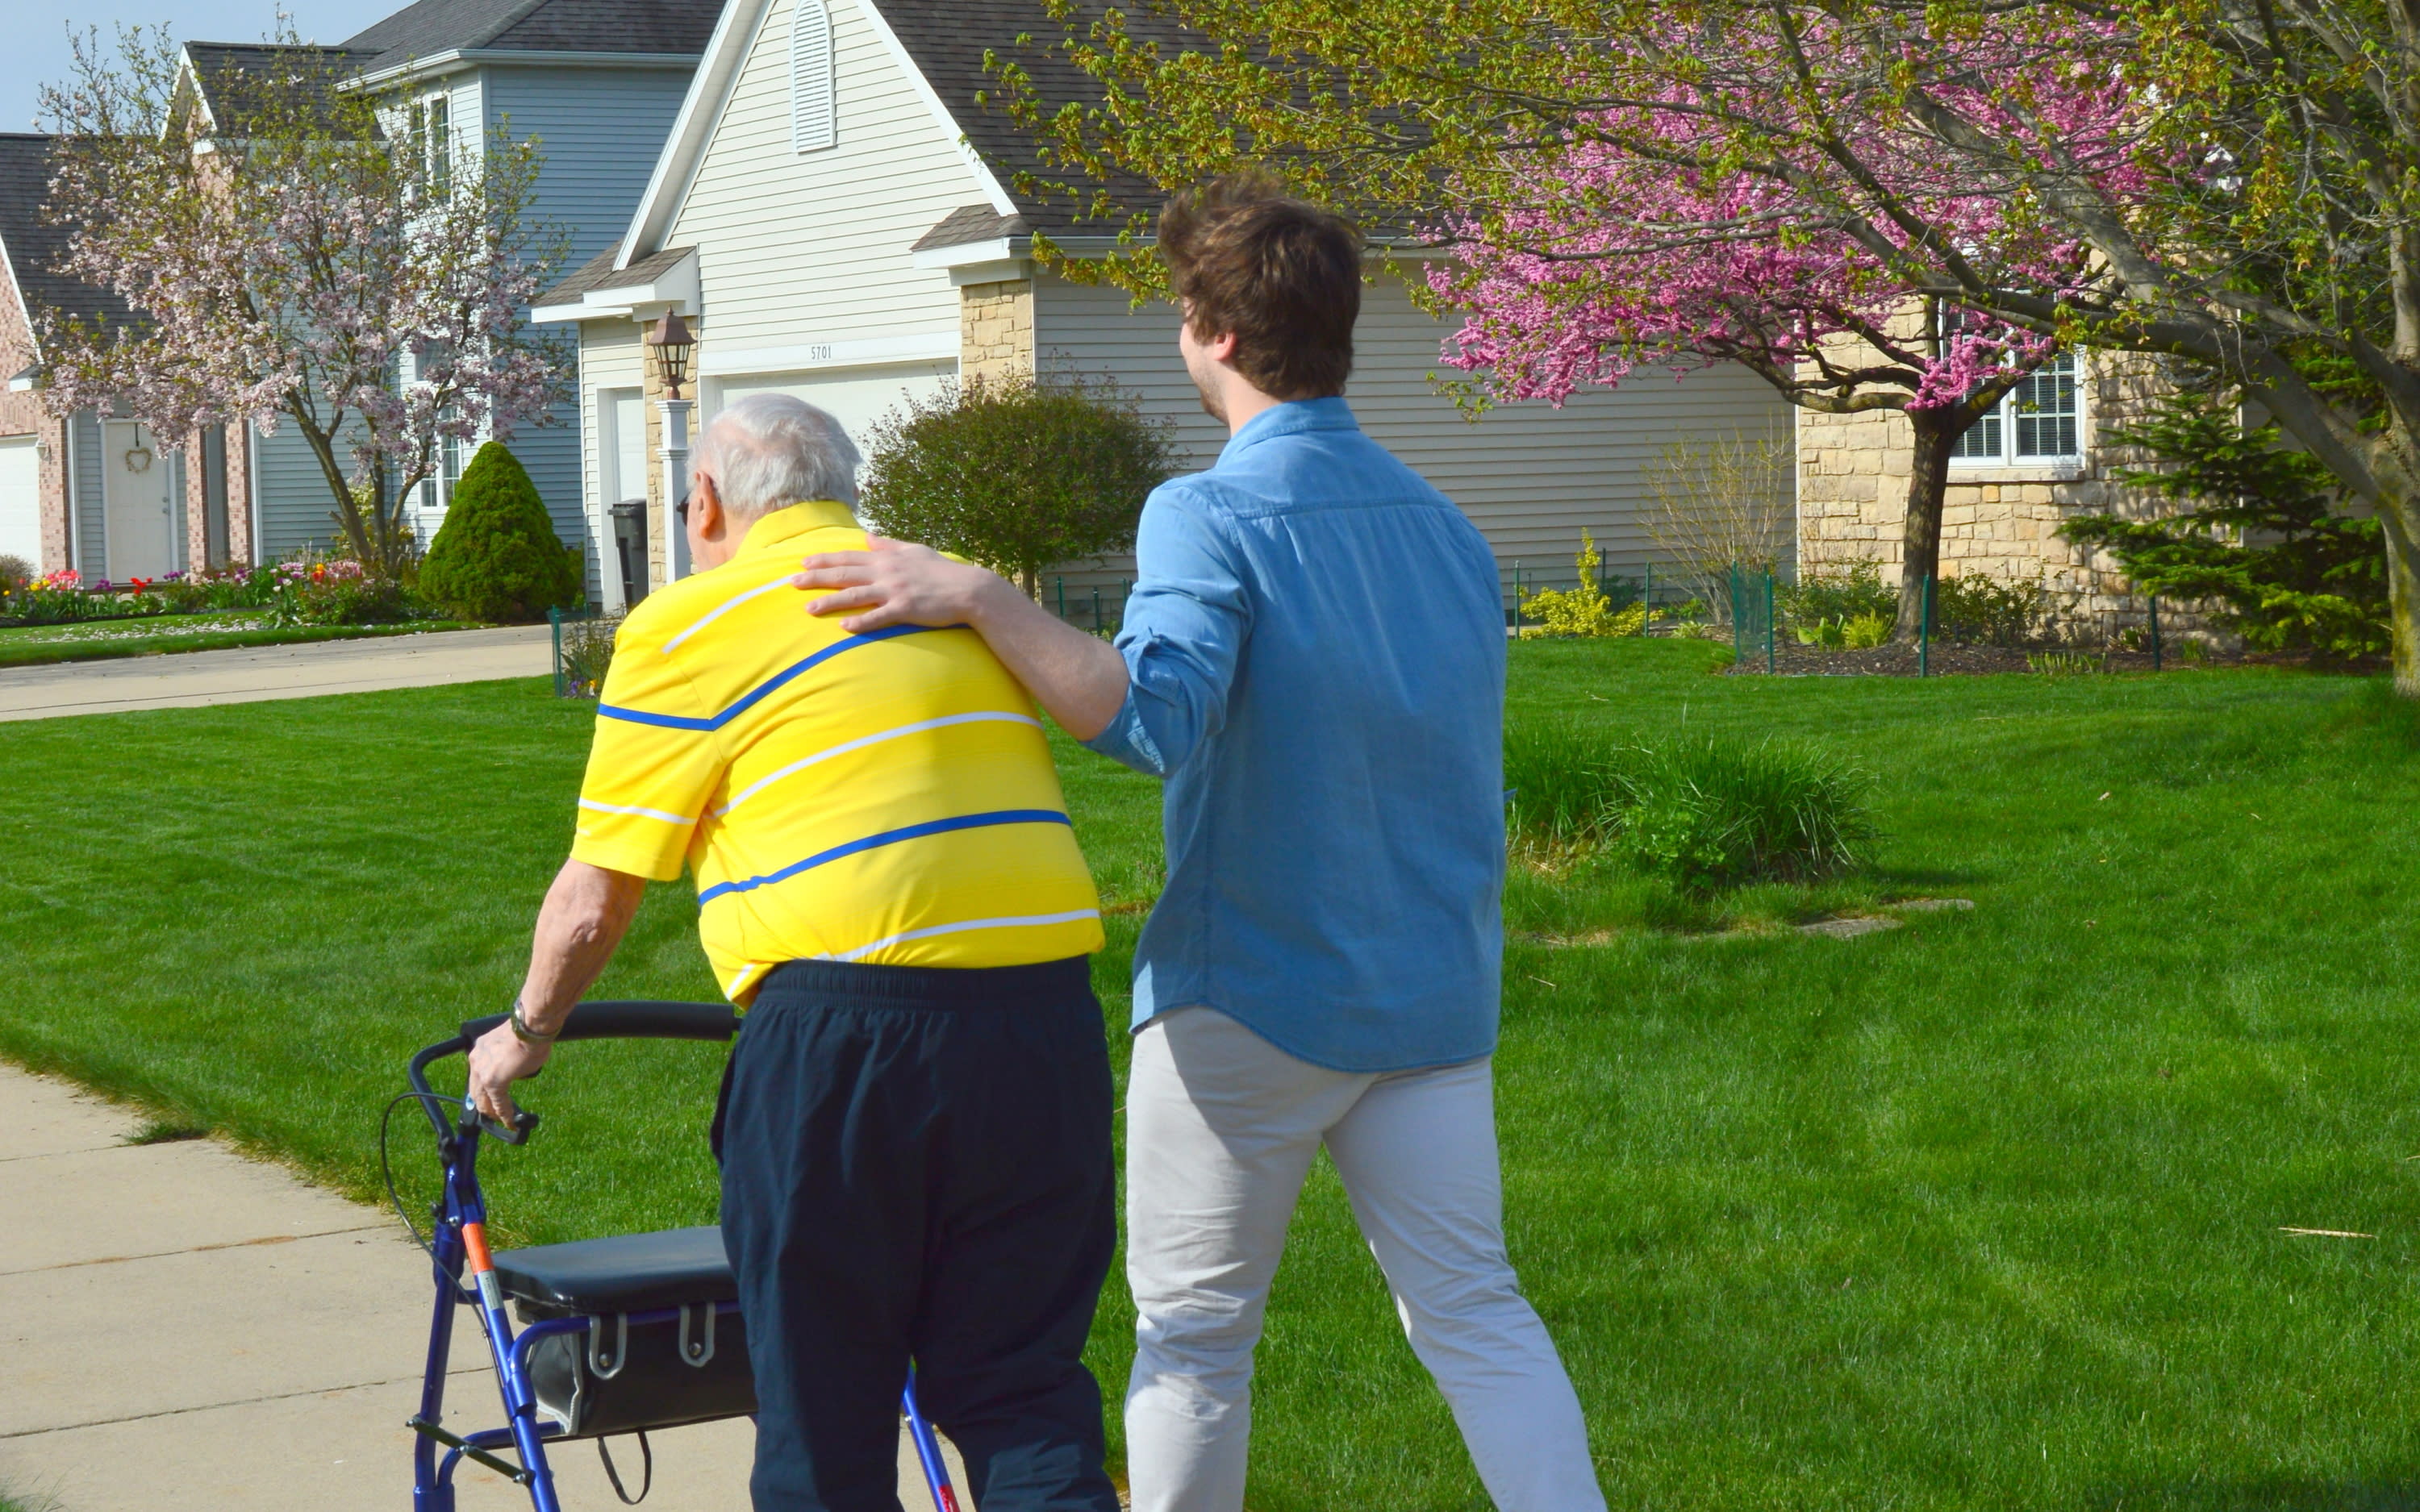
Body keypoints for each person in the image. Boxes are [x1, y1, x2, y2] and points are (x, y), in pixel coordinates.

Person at [788, 174, 1607, 1512]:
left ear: (1218, 336)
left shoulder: (1205, 511)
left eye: (1182, 310)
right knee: (1475, 1314)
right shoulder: (1451, 532)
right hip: (1435, 1002)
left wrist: (978, 594)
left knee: (1192, 1346)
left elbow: (1150, 716)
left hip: (1250, 1005)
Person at [465, 392, 1124, 1512]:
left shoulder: (686, 623)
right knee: (1021, 1388)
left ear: (707, 501)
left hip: (847, 1038)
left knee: (825, 1409)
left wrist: (524, 1034)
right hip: (1044, 1021)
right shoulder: (948, 587)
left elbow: (594, 902)